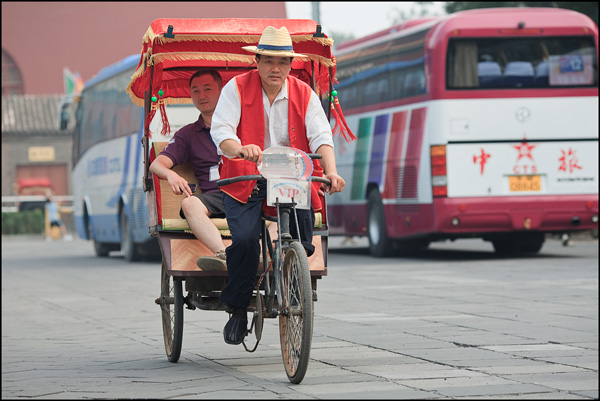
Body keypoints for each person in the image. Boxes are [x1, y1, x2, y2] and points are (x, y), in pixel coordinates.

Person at [209, 26, 346, 345]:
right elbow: (222, 130)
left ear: (290, 65)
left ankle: (292, 269)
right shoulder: (236, 89)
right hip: (246, 177)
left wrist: (332, 171)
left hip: (290, 176)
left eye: (282, 62)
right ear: (256, 61)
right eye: (269, 60)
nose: (275, 68)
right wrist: (240, 147)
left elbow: (321, 137)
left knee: (303, 235)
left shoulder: (303, 93)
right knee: (243, 241)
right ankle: (239, 308)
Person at [149, 69, 228, 269]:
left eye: (207, 89)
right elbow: (156, 164)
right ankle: (225, 255)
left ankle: (272, 259)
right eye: (195, 91)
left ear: (221, 90)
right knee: (190, 204)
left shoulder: (241, 123)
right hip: (216, 198)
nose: (201, 96)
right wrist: (171, 175)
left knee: (283, 201)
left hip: (247, 192)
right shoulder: (188, 135)